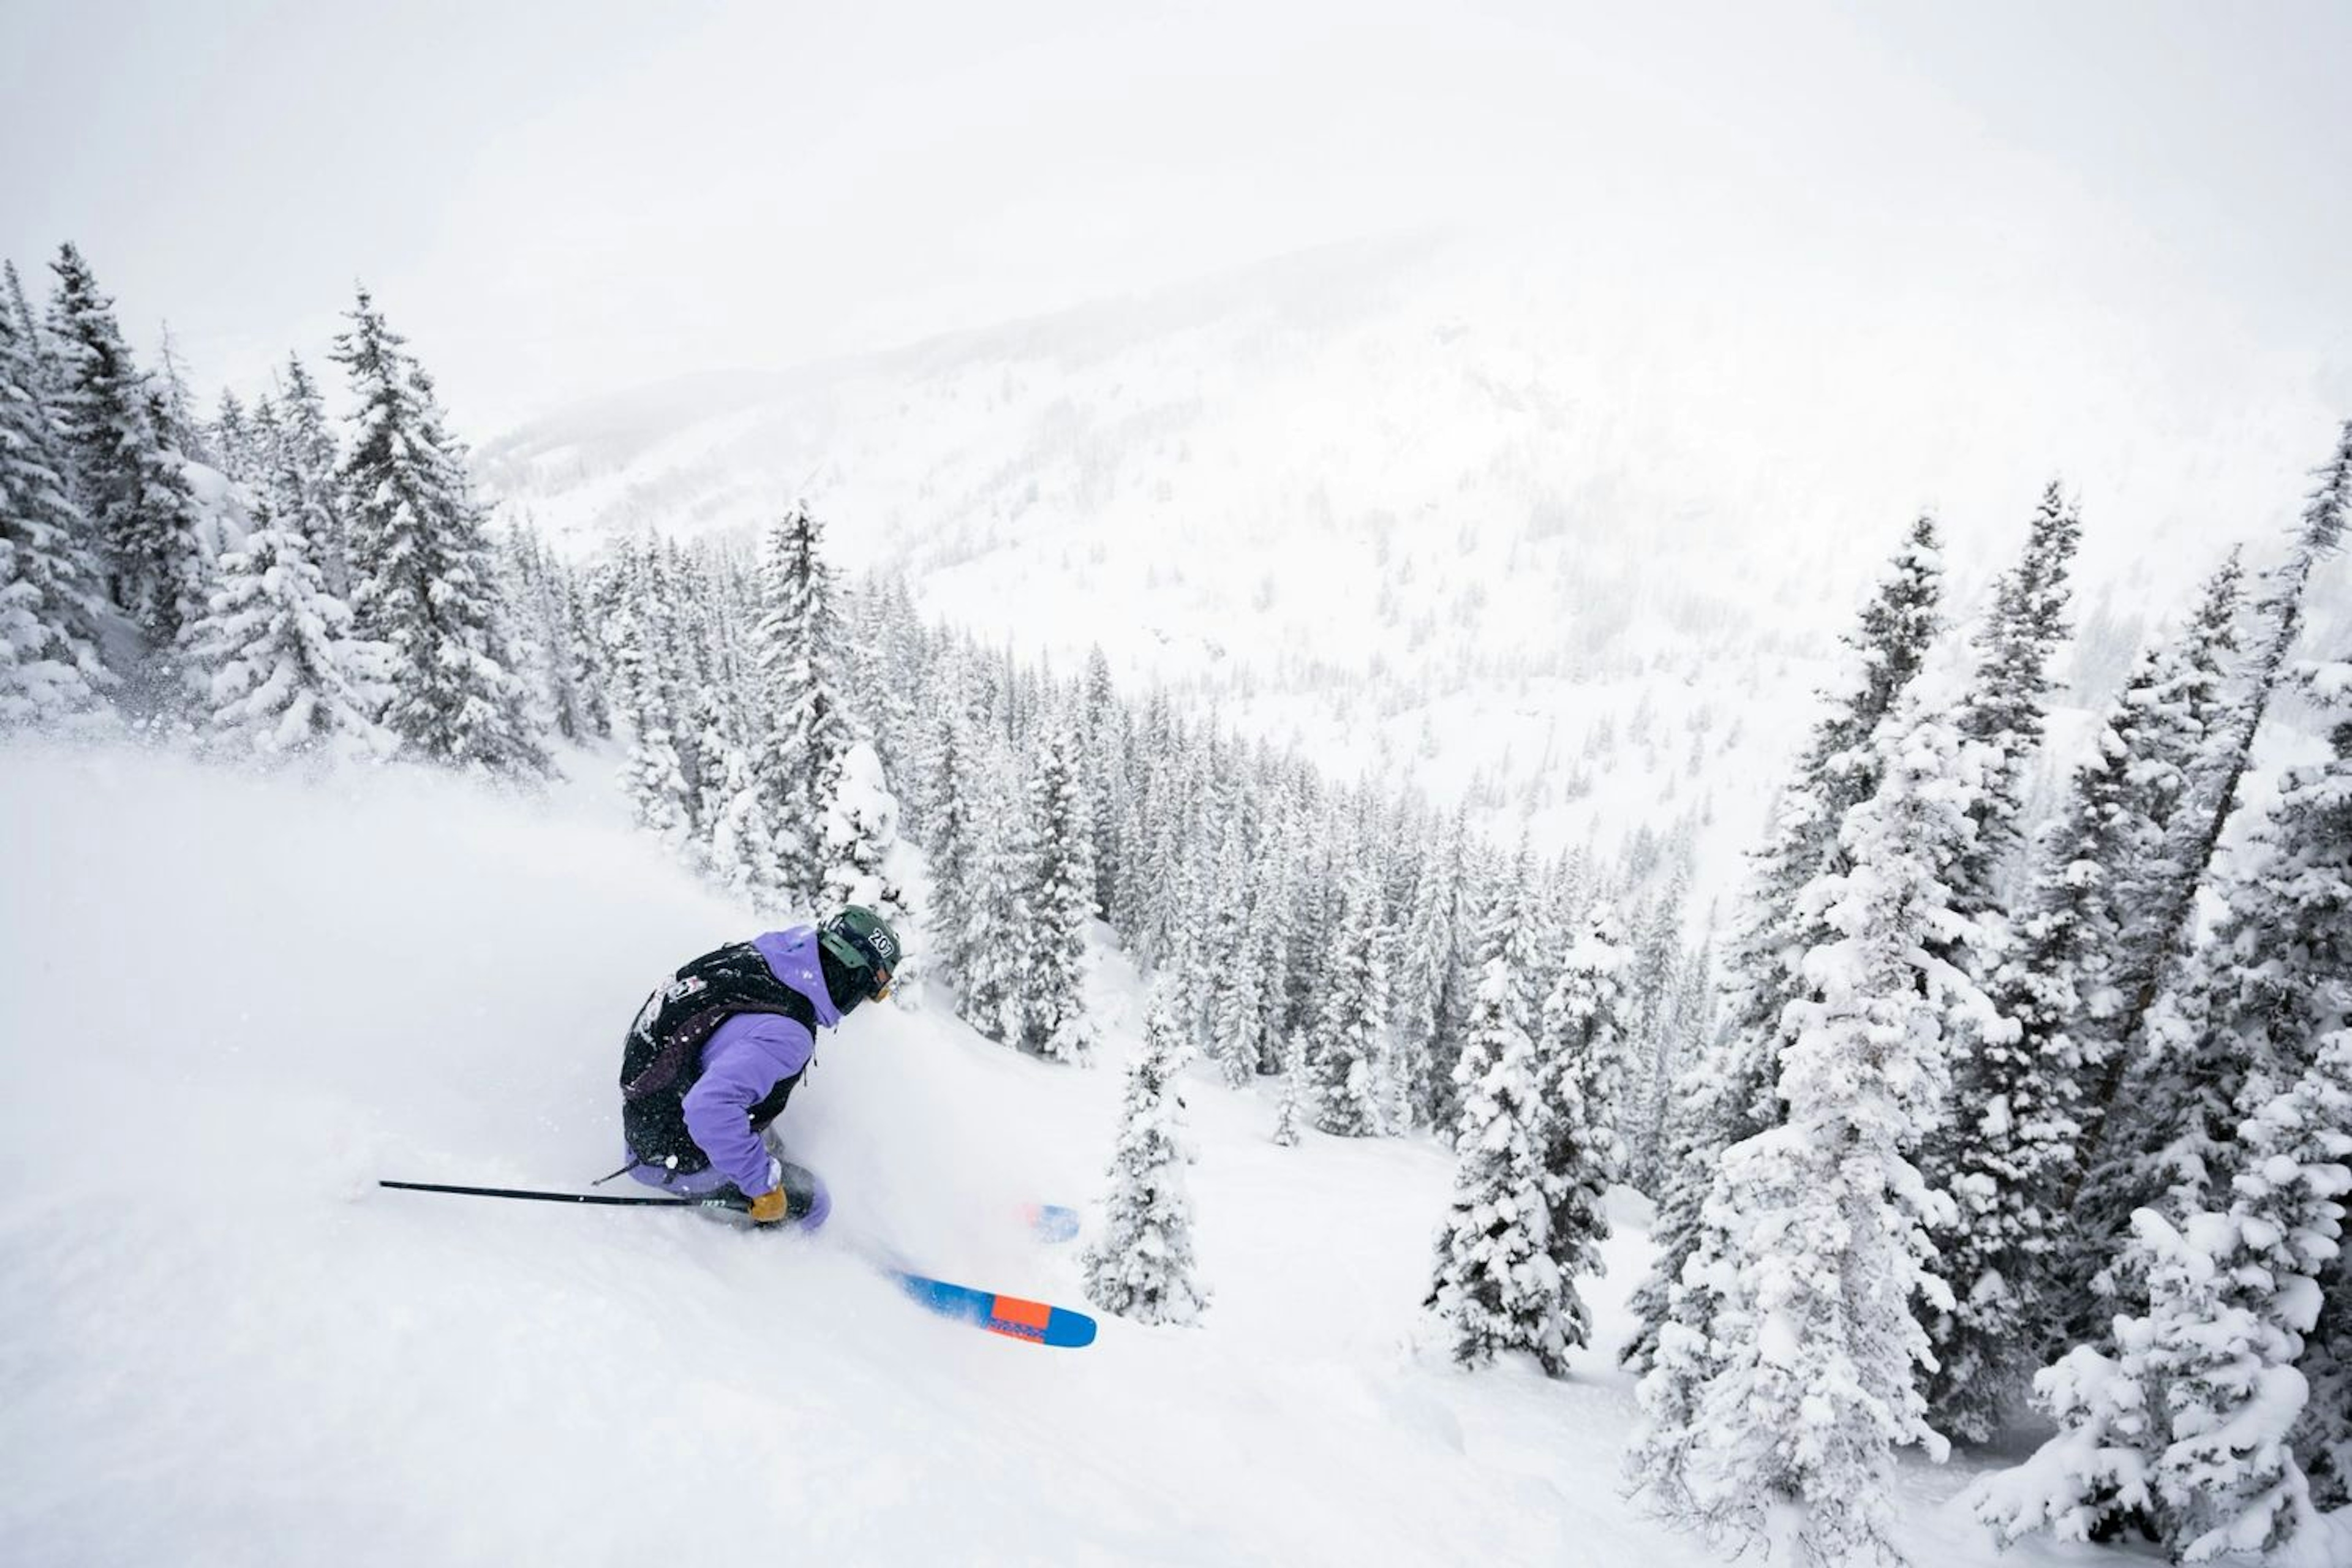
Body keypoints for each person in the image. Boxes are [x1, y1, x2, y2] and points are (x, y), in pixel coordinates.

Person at [611, 905, 901, 1227]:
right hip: (667, 1151)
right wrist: (761, 1187)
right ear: (853, 976)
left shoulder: (770, 959)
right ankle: (763, 1264)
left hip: (653, 1109)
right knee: (815, 1202)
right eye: (867, 994)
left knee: (776, 1146)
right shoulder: (789, 1032)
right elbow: (708, 1108)